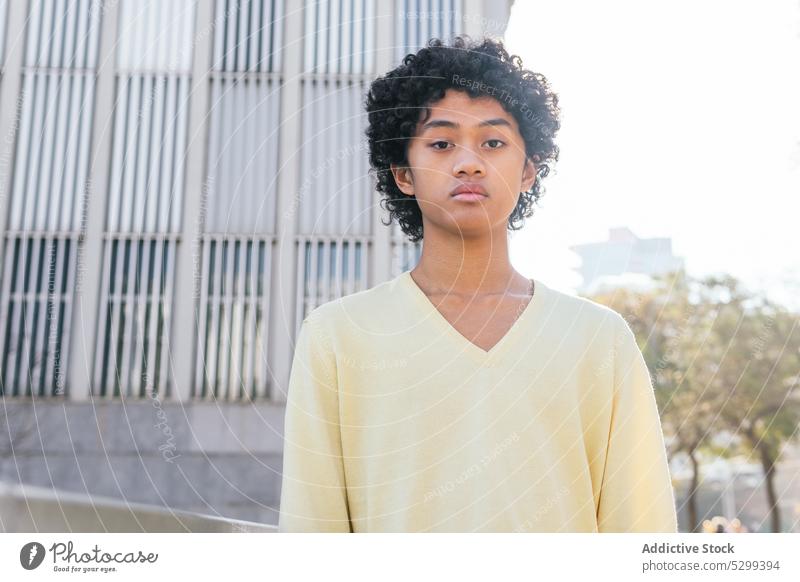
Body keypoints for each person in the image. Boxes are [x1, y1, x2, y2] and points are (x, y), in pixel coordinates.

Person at [278, 35, 678, 533]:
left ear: (529, 169)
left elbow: (641, 527)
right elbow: (312, 529)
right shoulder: (338, 335)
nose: (469, 163)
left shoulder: (599, 339)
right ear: (403, 173)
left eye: (493, 142)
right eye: (441, 143)